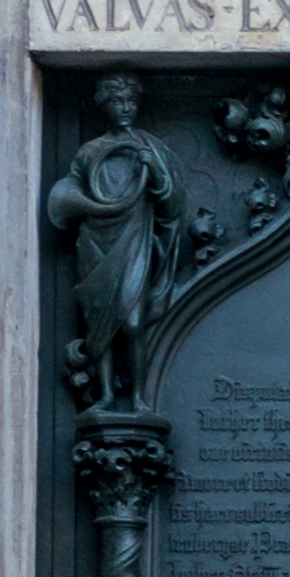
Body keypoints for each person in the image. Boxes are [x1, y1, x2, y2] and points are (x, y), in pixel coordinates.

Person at [44, 77, 181, 401]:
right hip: (96, 240)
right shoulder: (90, 152)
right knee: (99, 326)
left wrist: (156, 172)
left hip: (134, 239)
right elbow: (69, 192)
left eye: (131, 102)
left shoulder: (149, 149)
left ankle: (137, 398)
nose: (125, 108)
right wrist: (93, 206)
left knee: (132, 324)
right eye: (118, 102)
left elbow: (170, 203)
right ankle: (105, 395)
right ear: (105, 105)